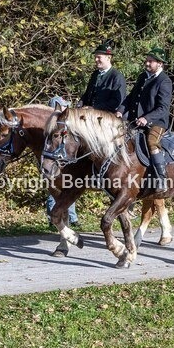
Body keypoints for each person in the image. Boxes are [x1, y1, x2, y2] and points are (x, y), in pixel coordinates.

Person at [118, 48, 173, 191]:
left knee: (152, 142)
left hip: (157, 122)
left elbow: (163, 108)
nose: (147, 63)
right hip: (136, 121)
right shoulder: (143, 77)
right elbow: (131, 98)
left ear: (160, 63)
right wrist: (120, 111)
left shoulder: (164, 81)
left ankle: (162, 180)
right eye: (147, 60)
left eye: (150, 61)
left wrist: (146, 118)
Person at [45, 95, 79, 228]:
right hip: (53, 159)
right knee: (54, 187)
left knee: (67, 187)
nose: (65, 108)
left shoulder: (64, 122)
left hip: (62, 159)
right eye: (63, 105)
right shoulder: (53, 123)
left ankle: (72, 217)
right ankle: (53, 217)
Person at [80, 42, 127, 112]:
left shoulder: (117, 77)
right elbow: (87, 94)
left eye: (99, 57)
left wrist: (95, 108)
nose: (96, 60)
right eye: (95, 57)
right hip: (90, 115)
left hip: (107, 118)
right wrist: (79, 105)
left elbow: (116, 102)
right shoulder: (95, 74)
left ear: (108, 58)